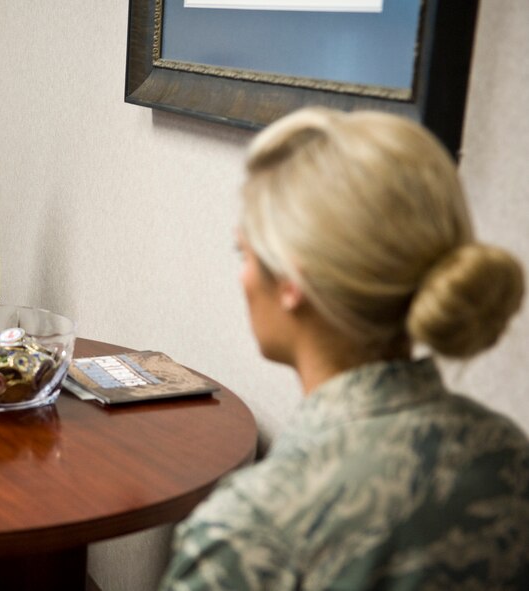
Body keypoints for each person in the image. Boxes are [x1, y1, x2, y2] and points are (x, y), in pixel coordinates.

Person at [160, 108, 529, 590]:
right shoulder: (508, 454)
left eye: (243, 253)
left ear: (293, 281)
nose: (242, 276)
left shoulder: (251, 531)